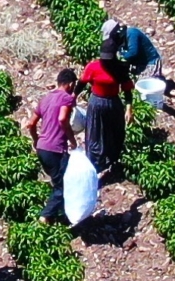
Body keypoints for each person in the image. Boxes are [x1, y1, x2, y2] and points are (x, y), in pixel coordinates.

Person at [31, 70, 80, 224]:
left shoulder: (45, 98)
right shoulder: (67, 98)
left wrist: (35, 140)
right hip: (54, 149)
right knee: (63, 185)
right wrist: (72, 140)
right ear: (71, 84)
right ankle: (45, 216)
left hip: (42, 148)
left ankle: (61, 214)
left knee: (58, 180)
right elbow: (62, 118)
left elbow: (31, 123)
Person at [80, 63, 126, 179]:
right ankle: (93, 167)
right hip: (97, 103)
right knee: (95, 135)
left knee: (115, 133)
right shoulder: (93, 67)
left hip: (113, 103)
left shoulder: (119, 67)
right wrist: (73, 96)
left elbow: (127, 88)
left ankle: (112, 161)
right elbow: (82, 82)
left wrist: (129, 107)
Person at [102, 19, 165, 89]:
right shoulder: (120, 40)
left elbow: (133, 53)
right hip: (139, 64)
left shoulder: (131, 33)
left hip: (151, 63)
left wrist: (121, 58)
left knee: (143, 88)